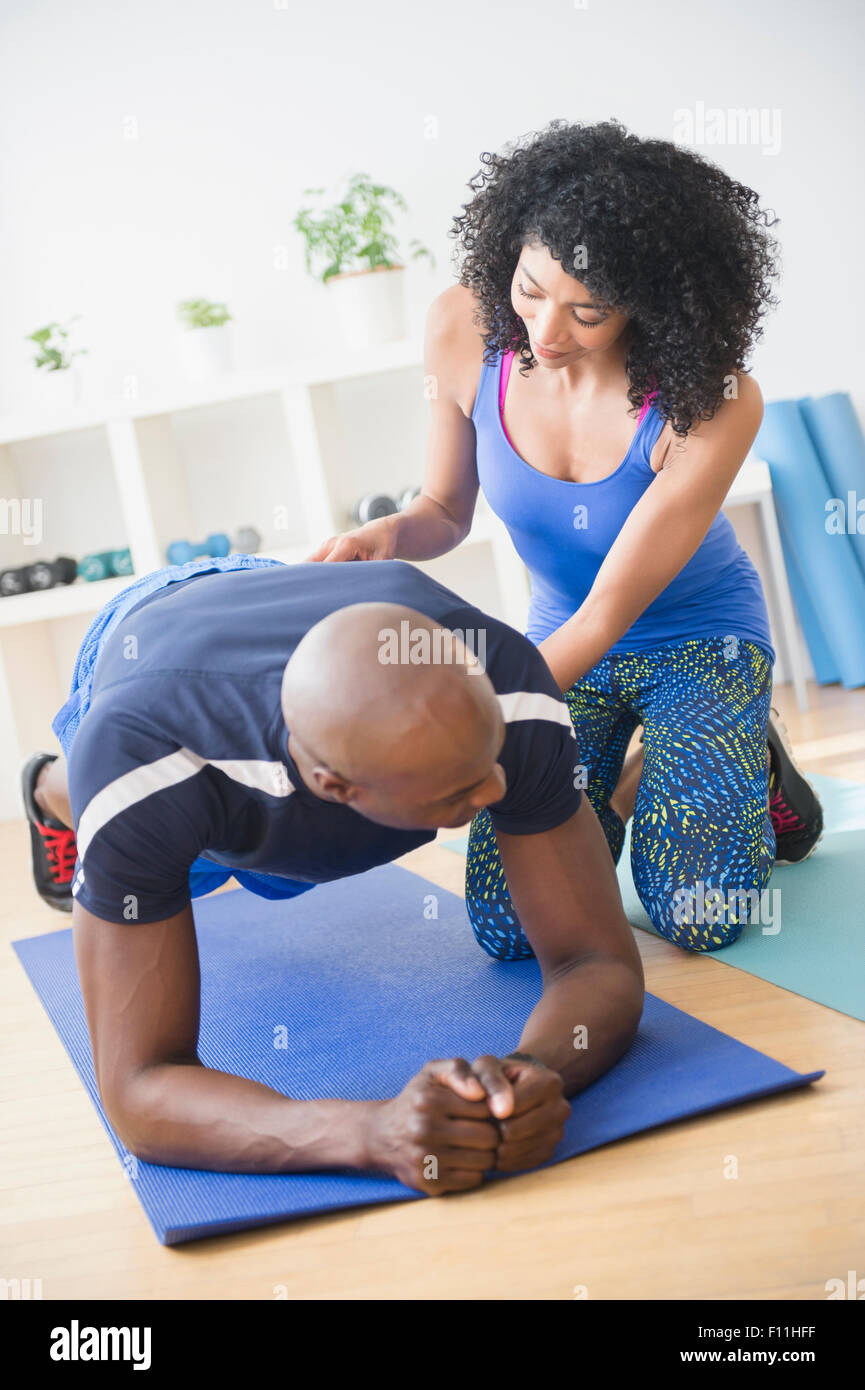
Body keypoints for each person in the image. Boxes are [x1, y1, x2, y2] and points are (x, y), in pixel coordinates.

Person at [309, 118, 823, 957]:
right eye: (529, 287)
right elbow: (443, 508)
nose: (545, 332)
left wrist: (477, 713)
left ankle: (747, 757)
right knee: (512, 931)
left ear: (650, 308)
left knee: (698, 916)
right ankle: (632, 781)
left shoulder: (713, 400)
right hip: (561, 635)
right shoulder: (459, 326)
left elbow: (611, 611)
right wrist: (390, 532)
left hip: (697, 639)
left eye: (587, 311)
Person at [22, 556, 643, 1195]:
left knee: (297, 866)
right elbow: (140, 1088)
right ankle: (46, 787)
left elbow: (597, 963)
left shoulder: (506, 686)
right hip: (142, 650)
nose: (499, 786)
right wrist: (374, 1135)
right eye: (460, 788)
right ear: (333, 787)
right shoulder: (140, 770)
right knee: (196, 864)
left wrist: (531, 1072)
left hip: (290, 611)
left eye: (487, 757)